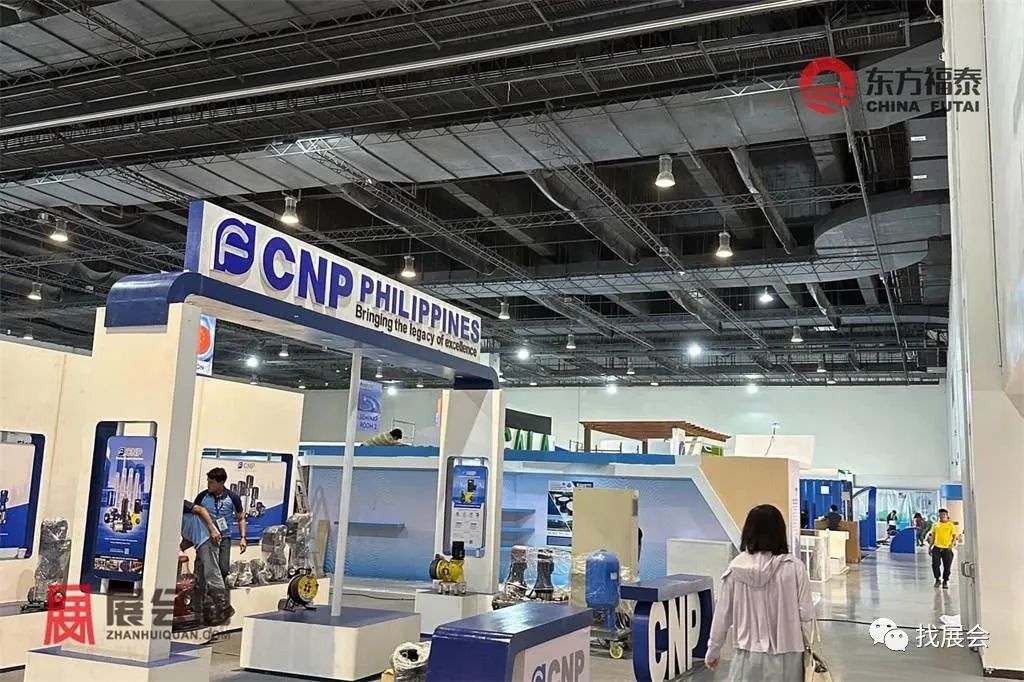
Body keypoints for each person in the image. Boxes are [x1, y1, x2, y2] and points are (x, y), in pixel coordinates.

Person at [706, 504, 813, 681]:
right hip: (788, 653)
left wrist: (713, 650)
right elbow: (806, 613)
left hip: (747, 654)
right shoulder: (794, 568)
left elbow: (722, 615)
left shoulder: (735, 569)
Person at [194, 467, 246, 621]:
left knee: (222, 569)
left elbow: (241, 518)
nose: (208, 485)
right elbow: (194, 516)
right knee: (202, 572)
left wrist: (243, 537)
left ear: (221, 482)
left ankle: (216, 602)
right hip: (205, 539)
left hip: (224, 538)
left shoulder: (233, 498)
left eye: (212, 482)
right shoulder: (202, 497)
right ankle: (200, 606)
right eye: (208, 481)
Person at [180, 500, 234, 625]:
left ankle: (224, 608)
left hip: (207, 540)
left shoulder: (180, 504)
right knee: (199, 578)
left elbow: (201, 510)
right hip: (200, 544)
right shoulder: (174, 519)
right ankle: (198, 610)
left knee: (211, 574)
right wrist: (179, 549)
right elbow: (190, 537)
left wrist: (212, 530)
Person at [926, 508, 959, 589]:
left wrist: (952, 545)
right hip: (937, 548)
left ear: (947, 515)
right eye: (941, 515)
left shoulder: (950, 525)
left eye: (944, 514)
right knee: (935, 565)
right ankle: (937, 579)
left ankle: (945, 581)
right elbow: (933, 536)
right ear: (939, 515)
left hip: (947, 548)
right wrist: (930, 547)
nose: (942, 516)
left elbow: (954, 536)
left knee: (947, 566)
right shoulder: (935, 525)